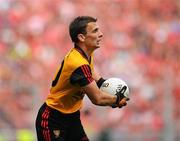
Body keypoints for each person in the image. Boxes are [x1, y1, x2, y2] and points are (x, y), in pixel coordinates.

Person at [35, 16, 129, 141]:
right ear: (81, 37)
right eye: (95, 31)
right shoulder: (78, 63)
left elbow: (91, 72)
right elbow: (97, 98)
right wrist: (116, 99)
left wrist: (103, 83)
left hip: (72, 117)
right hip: (52, 119)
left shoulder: (86, 54)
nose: (101, 34)